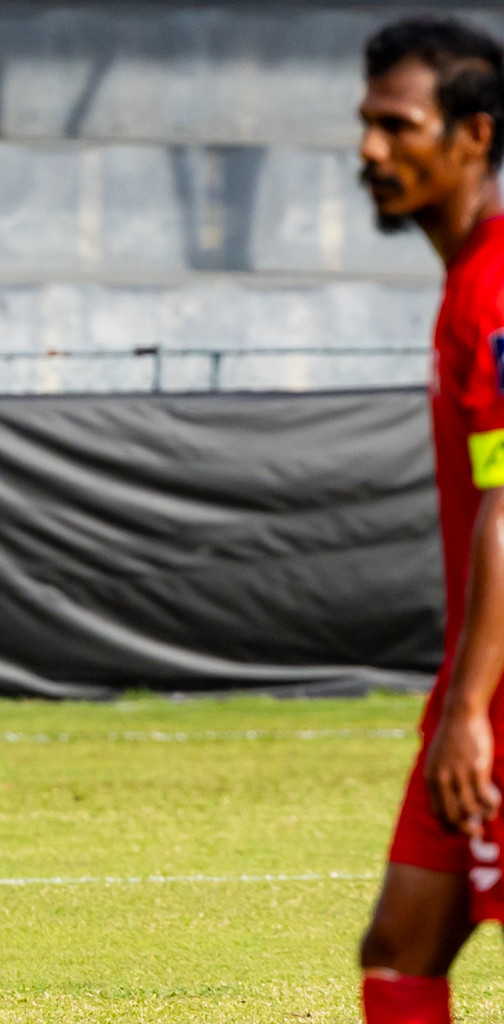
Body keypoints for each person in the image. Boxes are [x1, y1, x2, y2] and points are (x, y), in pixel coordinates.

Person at [356, 17, 504, 1024]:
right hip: (474, 690)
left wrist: (468, 712)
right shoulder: (468, 282)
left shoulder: (491, 291)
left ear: (473, 138)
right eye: (367, 125)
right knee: (402, 947)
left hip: (491, 703)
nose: (371, 150)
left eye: (399, 126)